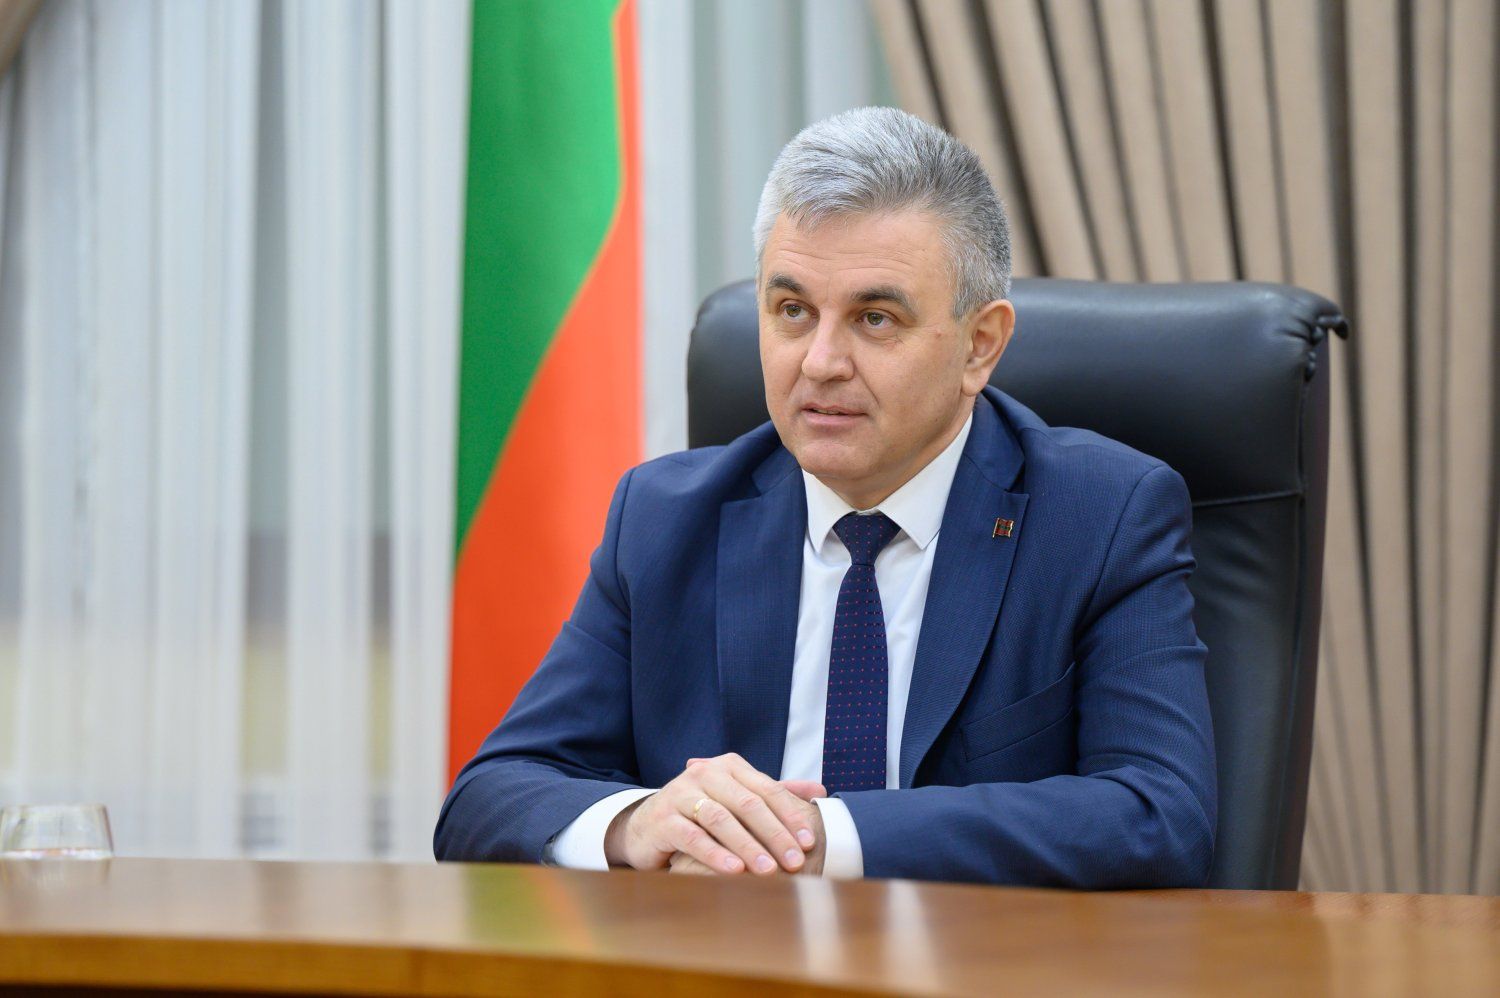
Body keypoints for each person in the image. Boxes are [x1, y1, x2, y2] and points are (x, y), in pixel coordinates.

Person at [434, 107, 1216, 886]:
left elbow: (1160, 811)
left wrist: (823, 838)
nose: (819, 362)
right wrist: (641, 823)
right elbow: (489, 796)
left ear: (980, 345)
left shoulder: (1101, 515)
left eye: (874, 319)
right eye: (793, 312)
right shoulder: (666, 519)